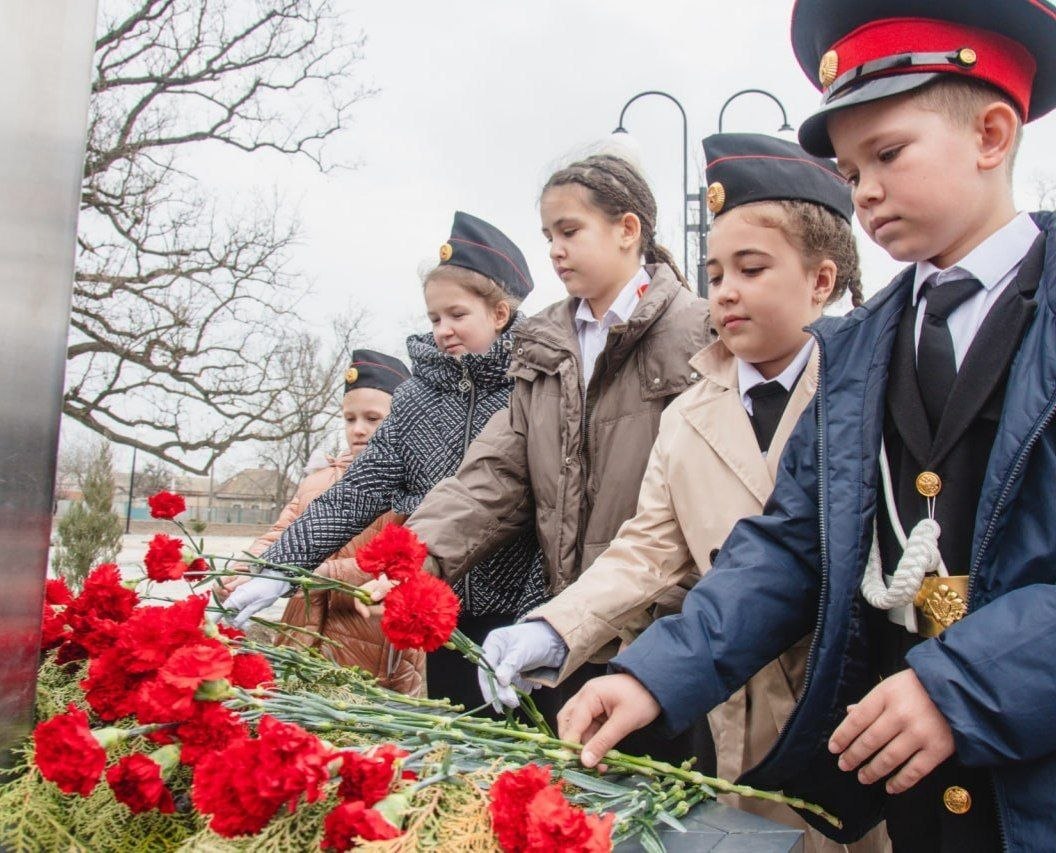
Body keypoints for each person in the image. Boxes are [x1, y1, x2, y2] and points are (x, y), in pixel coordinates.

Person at [557, 2, 1056, 850]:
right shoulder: (860, 348)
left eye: (887, 155)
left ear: (993, 134)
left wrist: (964, 686)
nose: (861, 190)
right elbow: (793, 544)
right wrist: (655, 673)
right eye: (850, 167)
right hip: (914, 798)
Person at [478, 133, 888, 852]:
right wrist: (554, 627)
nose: (724, 290)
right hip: (733, 713)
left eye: (751, 268)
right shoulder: (689, 412)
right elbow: (646, 550)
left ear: (821, 282)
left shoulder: (872, 389)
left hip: (856, 715)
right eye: (715, 270)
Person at [403, 154, 715, 762]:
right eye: (548, 236)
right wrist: (412, 558)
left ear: (628, 230)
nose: (554, 250)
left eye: (570, 231)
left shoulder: (697, 332)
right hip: (562, 631)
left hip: (662, 637)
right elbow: (492, 476)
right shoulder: (544, 343)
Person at [223, 211, 547, 708]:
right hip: (430, 614)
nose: (443, 330)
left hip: (516, 615)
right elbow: (358, 491)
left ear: (500, 314)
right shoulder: (417, 399)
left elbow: (550, 512)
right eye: (434, 318)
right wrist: (279, 566)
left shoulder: (532, 388)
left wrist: (536, 617)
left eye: (457, 315)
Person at [223, 351, 425, 694]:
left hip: (370, 649)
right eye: (350, 419)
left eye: (373, 418)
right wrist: (248, 569)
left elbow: (412, 563)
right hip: (301, 637)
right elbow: (280, 535)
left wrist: (327, 574)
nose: (358, 429)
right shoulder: (317, 481)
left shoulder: (413, 487)